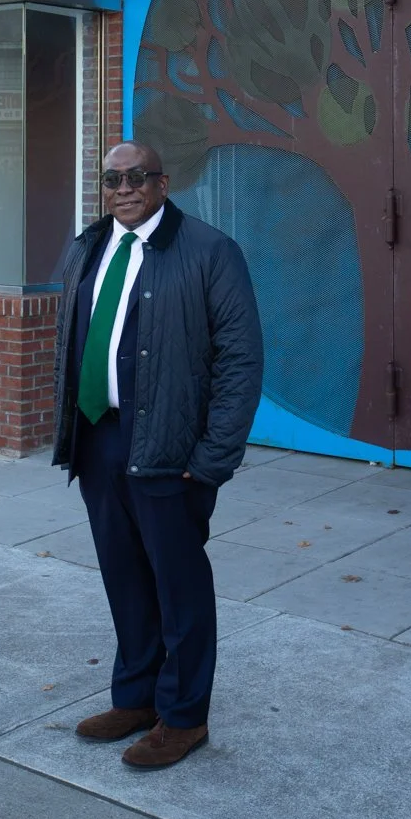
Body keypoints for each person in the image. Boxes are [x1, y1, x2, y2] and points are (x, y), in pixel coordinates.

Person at [52, 140, 263, 768]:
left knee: (180, 588)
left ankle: (183, 716)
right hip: (100, 439)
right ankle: (136, 697)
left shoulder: (209, 251)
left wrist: (212, 457)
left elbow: (241, 361)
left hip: (173, 450)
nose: (123, 187)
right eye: (112, 178)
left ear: (162, 183)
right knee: (124, 577)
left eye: (136, 176)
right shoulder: (90, 246)